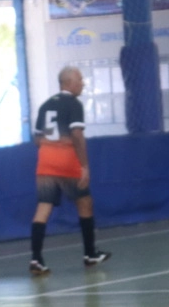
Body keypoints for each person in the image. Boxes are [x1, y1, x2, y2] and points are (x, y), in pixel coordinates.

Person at [28, 66, 110, 275]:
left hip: (45, 163)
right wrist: (84, 166)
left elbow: (37, 139)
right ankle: (90, 254)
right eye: (80, 80)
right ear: (69, 82)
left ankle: (36, 259)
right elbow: (76, 135)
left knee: (43, 208)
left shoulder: (46, 105)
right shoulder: (74, 104)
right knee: (84, 202)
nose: (82, 83)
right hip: (67, 162)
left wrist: (50, 148)